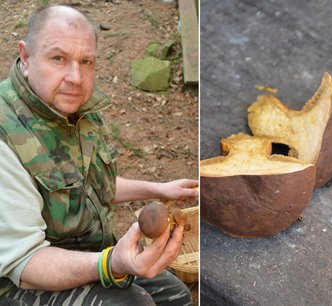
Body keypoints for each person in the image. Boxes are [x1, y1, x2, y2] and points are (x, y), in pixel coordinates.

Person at [0, 4, 198, 305]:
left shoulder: (75, 109)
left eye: (86, 61)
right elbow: (25, 264)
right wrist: (110, 265)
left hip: (82, 252)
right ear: (26, 57)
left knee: (176, 297)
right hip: (18, 280)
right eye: (58, 58)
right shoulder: (5, 135)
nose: (76, 77)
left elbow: (90, 186)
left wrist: (157, 188)